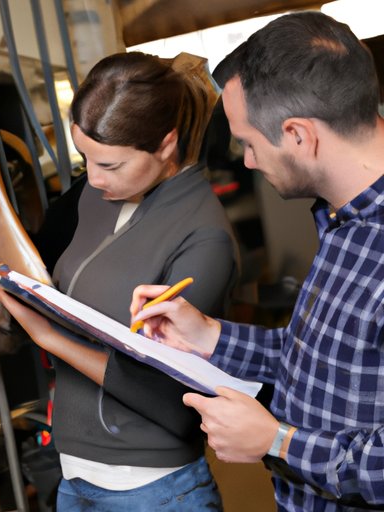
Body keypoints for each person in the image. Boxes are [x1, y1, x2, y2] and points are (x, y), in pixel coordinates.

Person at [129, 11, 384, 512]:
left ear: (297, 135)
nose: (246, 161)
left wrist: (278, 441)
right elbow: (323, 362)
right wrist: (208, 336)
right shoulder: (345, 225)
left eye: (248, 142)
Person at [0, 51, 240, 510]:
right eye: (86, 159)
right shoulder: (98, 197)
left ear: (166, 144)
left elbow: (164, 395)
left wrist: (46, 336)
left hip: (154, 490)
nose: (94, 178)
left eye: (111, 165)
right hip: (74, 477)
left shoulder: (204, 236)